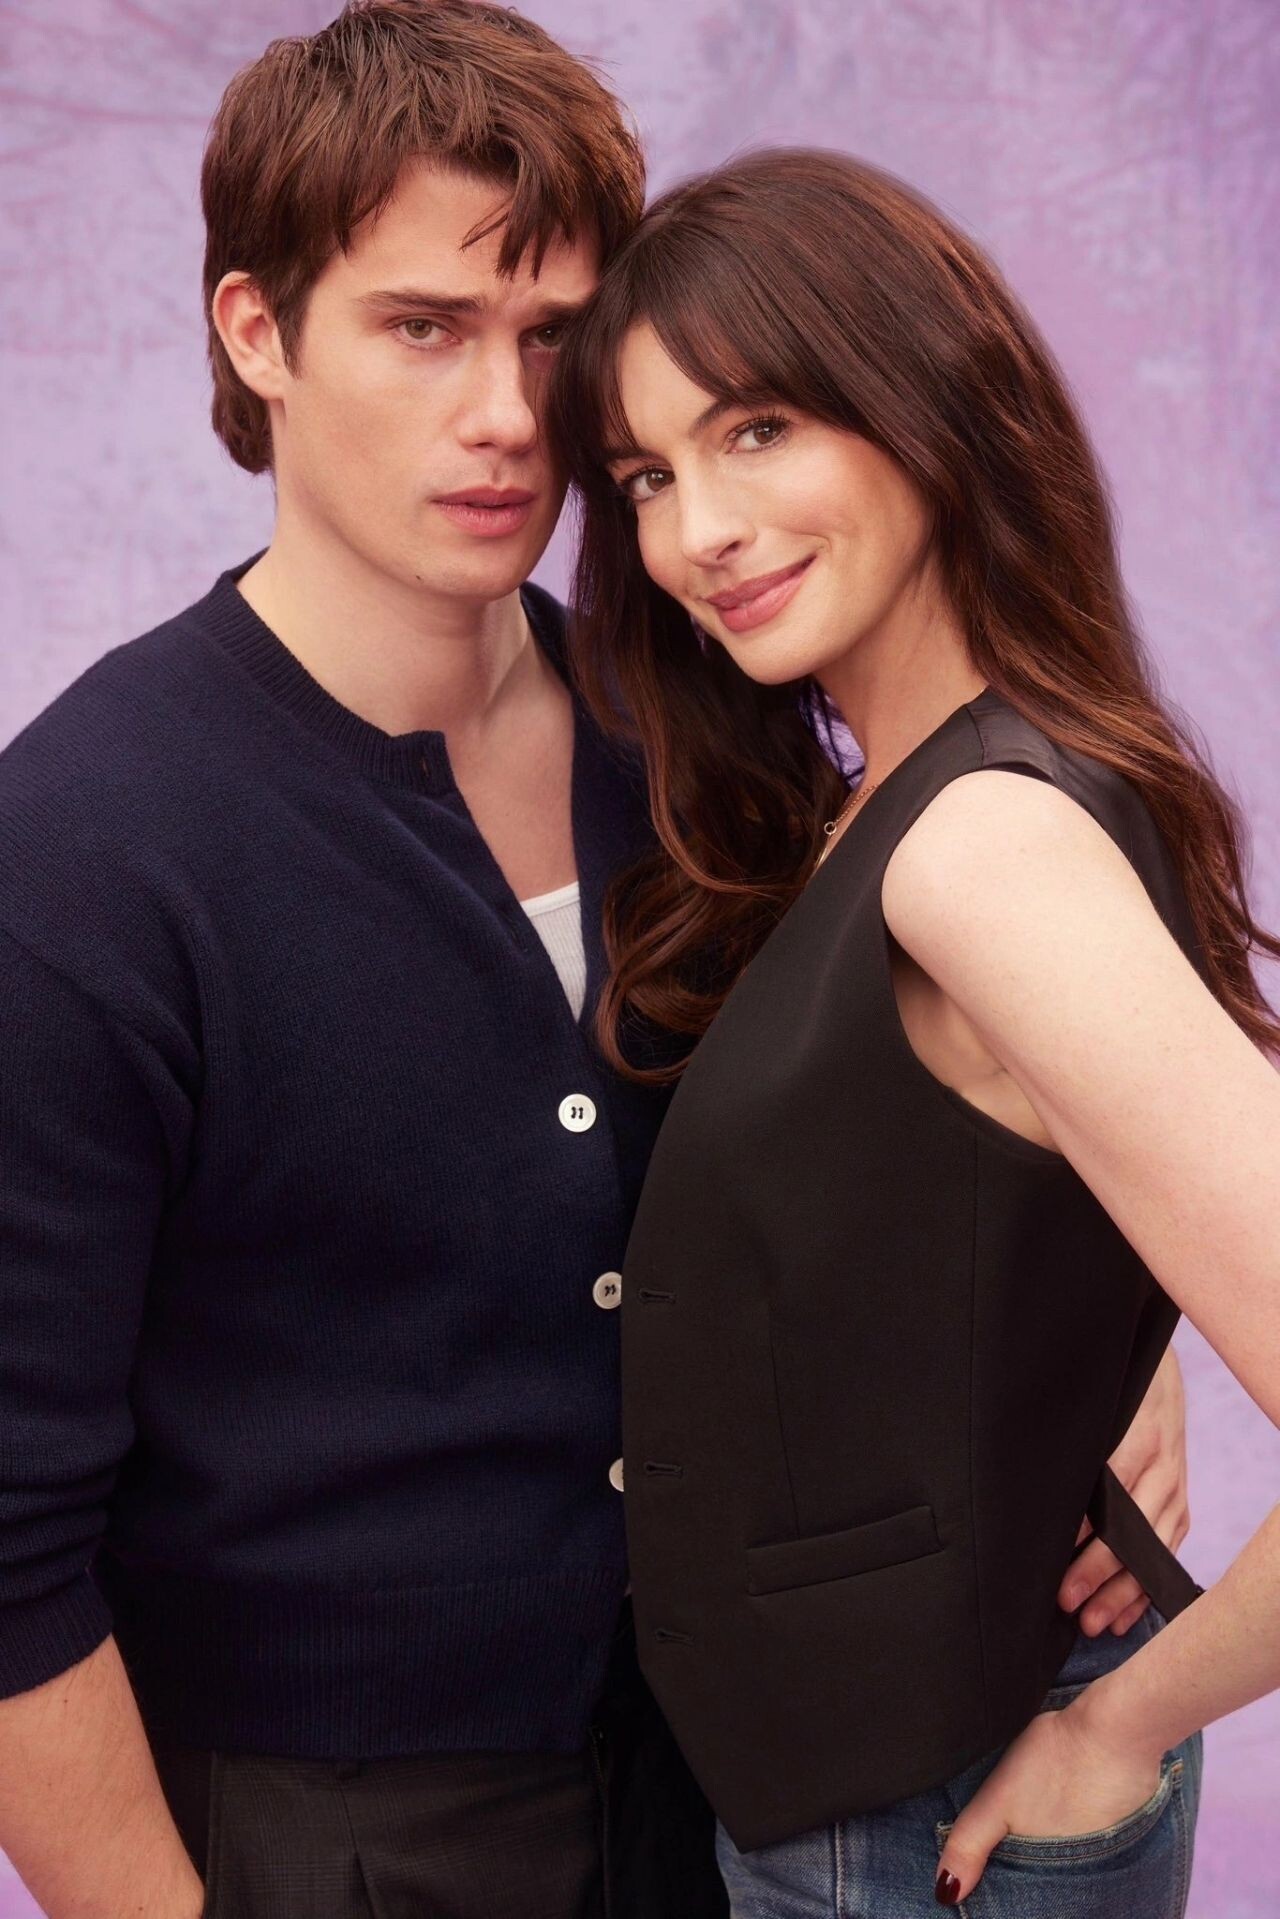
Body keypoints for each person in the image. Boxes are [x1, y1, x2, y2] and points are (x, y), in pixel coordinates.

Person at [0, 10, 1188, 1914]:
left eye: (552, 336)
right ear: (256, 333)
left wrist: (1114, 1356)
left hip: (746, 1806)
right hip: (327, 1839)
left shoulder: (703, 730)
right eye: (423, 327)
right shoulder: (81, 848)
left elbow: (948, 1133)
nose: (505, 414)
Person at [548, 146, 1280, 1916]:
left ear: (924, 398)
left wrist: (1125, 1727)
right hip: (870, 1786)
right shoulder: (917, 802)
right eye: (648, 476)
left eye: (758, 429)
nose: (698, 532)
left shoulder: (980, 848)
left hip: (926, 1820)